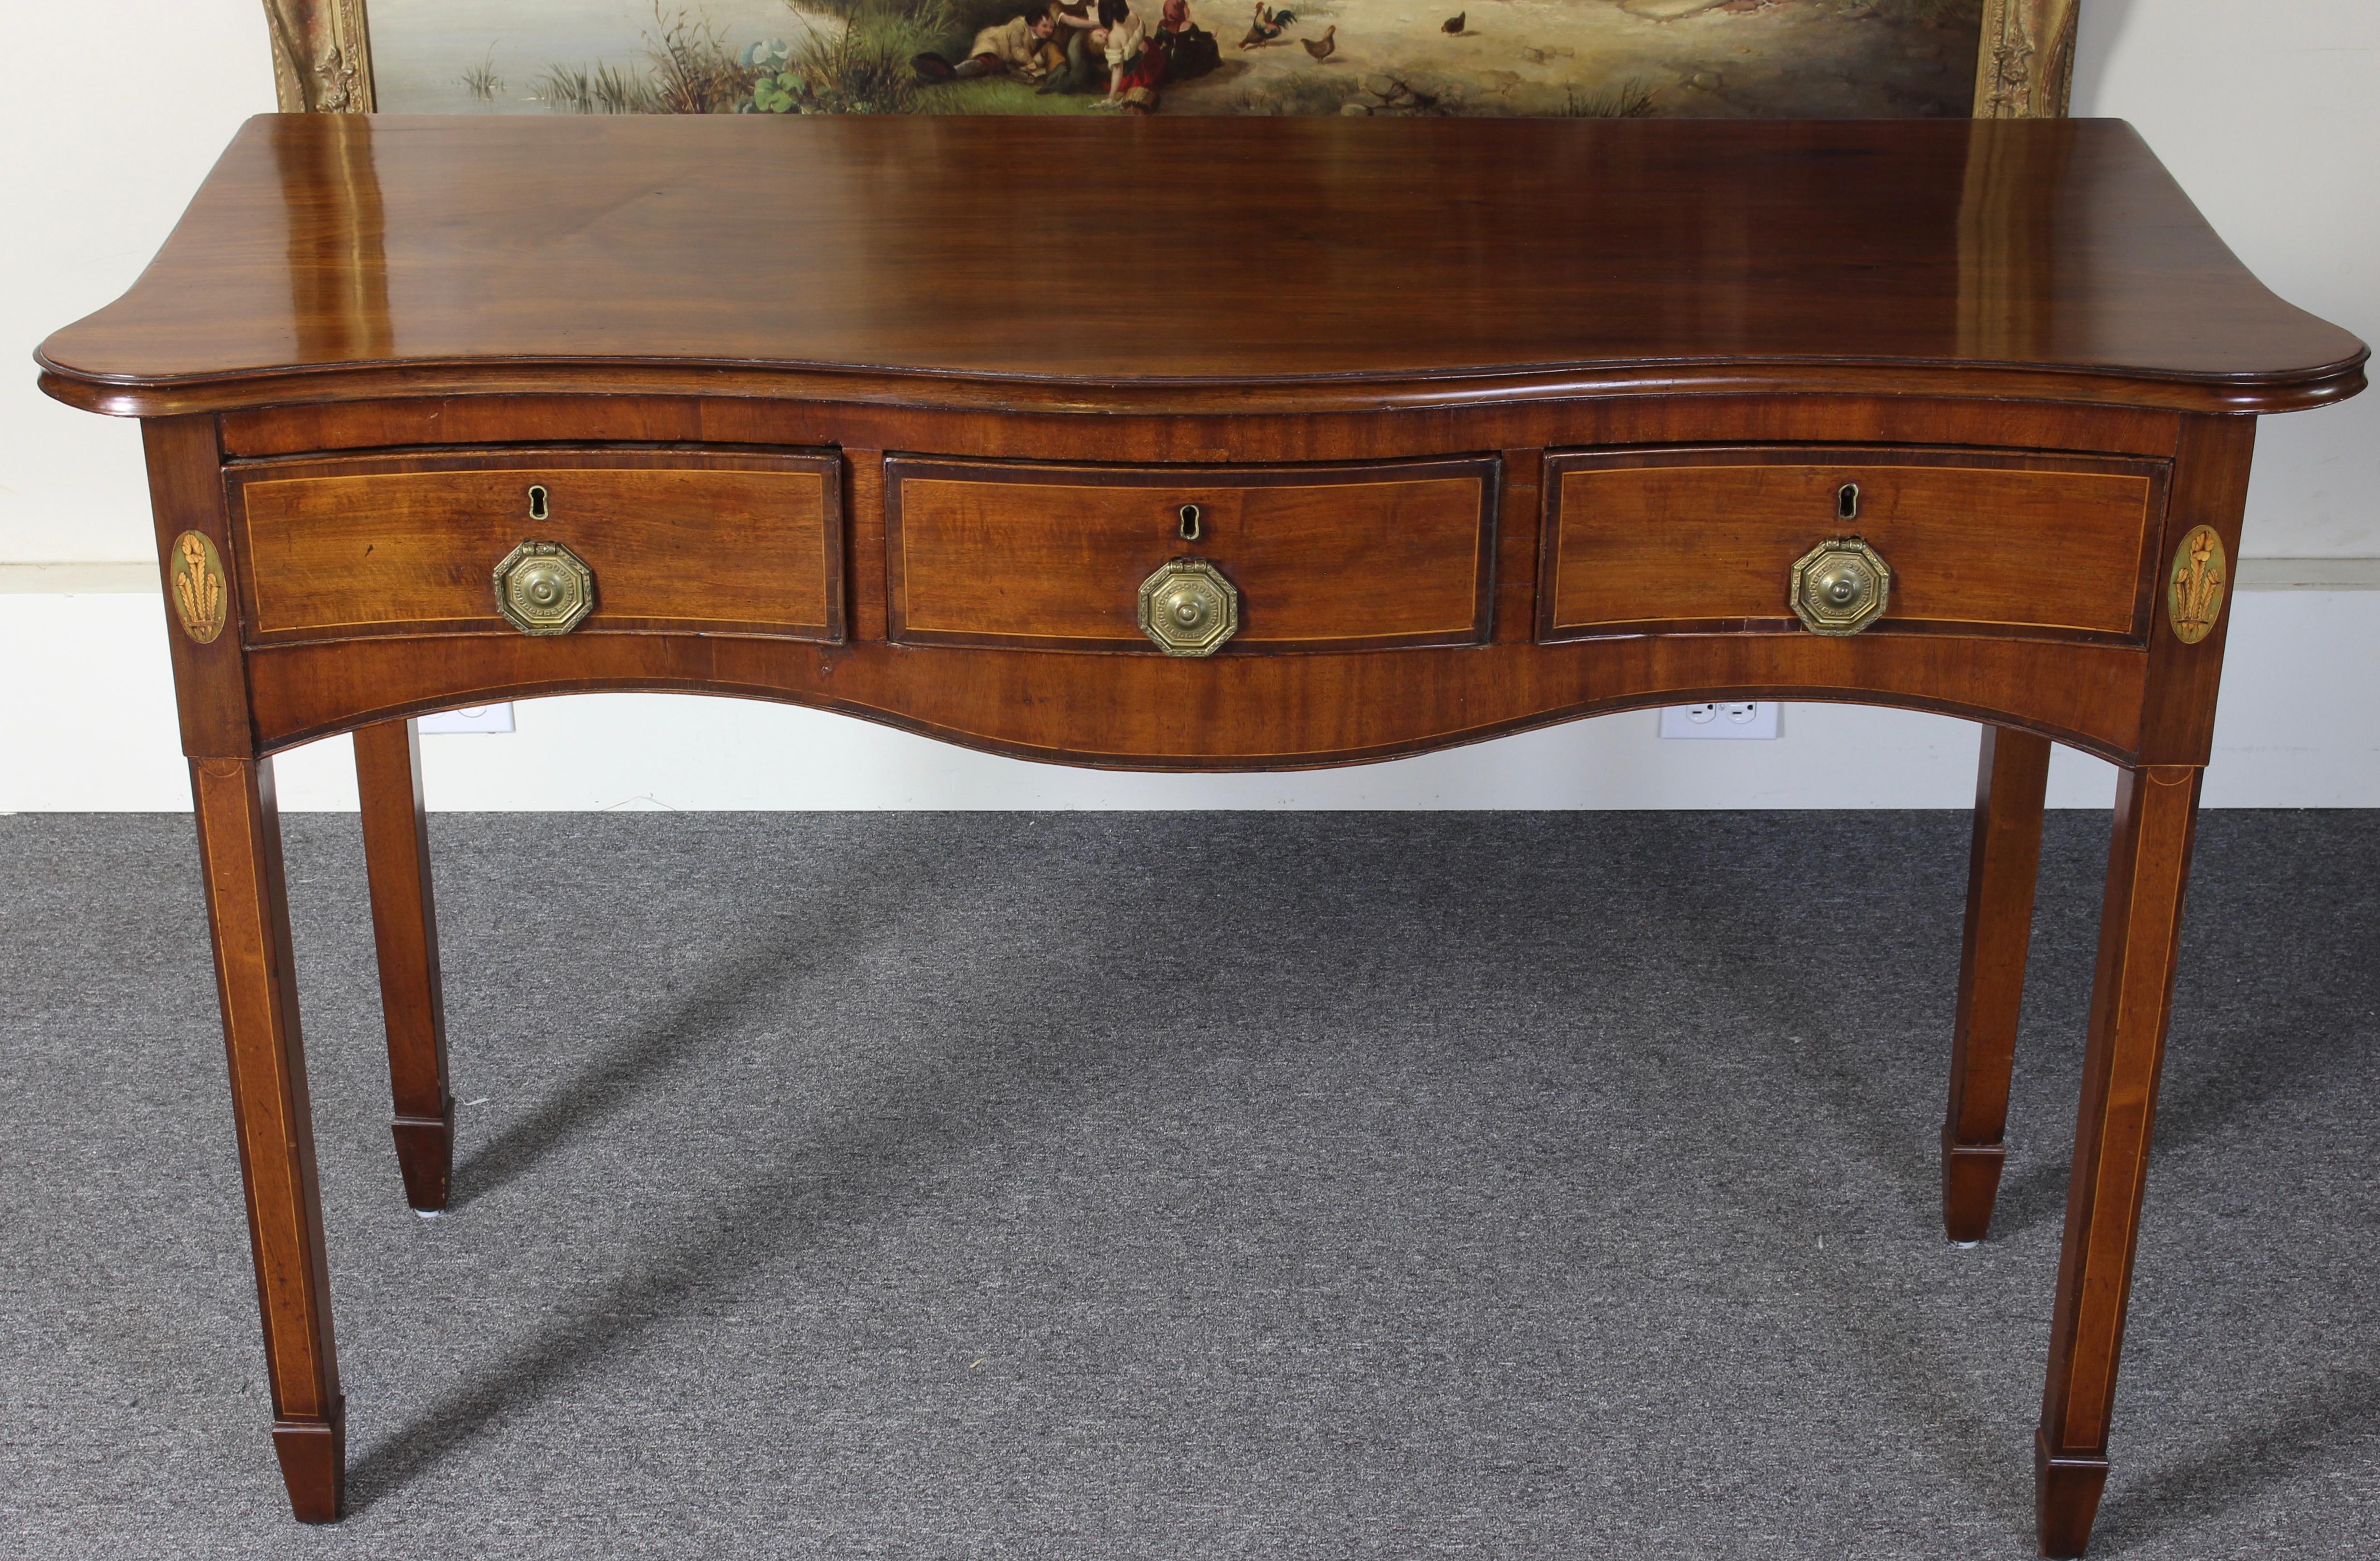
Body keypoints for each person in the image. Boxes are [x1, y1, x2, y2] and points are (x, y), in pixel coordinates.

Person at [912, 11, 1060, 83]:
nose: (1049, 30)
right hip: (993, 41)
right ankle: (949, 71)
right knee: (985, 63)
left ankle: (938, 74)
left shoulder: (1039, 37)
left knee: (1000, 68)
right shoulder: (1019, 26)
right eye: (1045, 26)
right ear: (1034, 24)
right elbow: (1016, 50)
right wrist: (1030, 63)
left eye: (1052, 27)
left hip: (1005, 55)